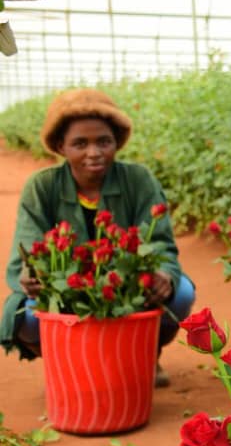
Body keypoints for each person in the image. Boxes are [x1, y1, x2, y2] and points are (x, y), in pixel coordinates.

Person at [1, 89, 195, 387]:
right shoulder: (42, 187)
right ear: (60, 146)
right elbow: (25, 251)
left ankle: (146, 355)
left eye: (103, 141)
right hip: (66, 293)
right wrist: (33, 276)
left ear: (116, 142)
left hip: (126, 289)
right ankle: (68, 364)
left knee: (179, 293)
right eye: (80, 143)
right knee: (25, 316)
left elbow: (160, 241)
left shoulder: (138, 180)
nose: (94, 152)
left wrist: (163, 273)